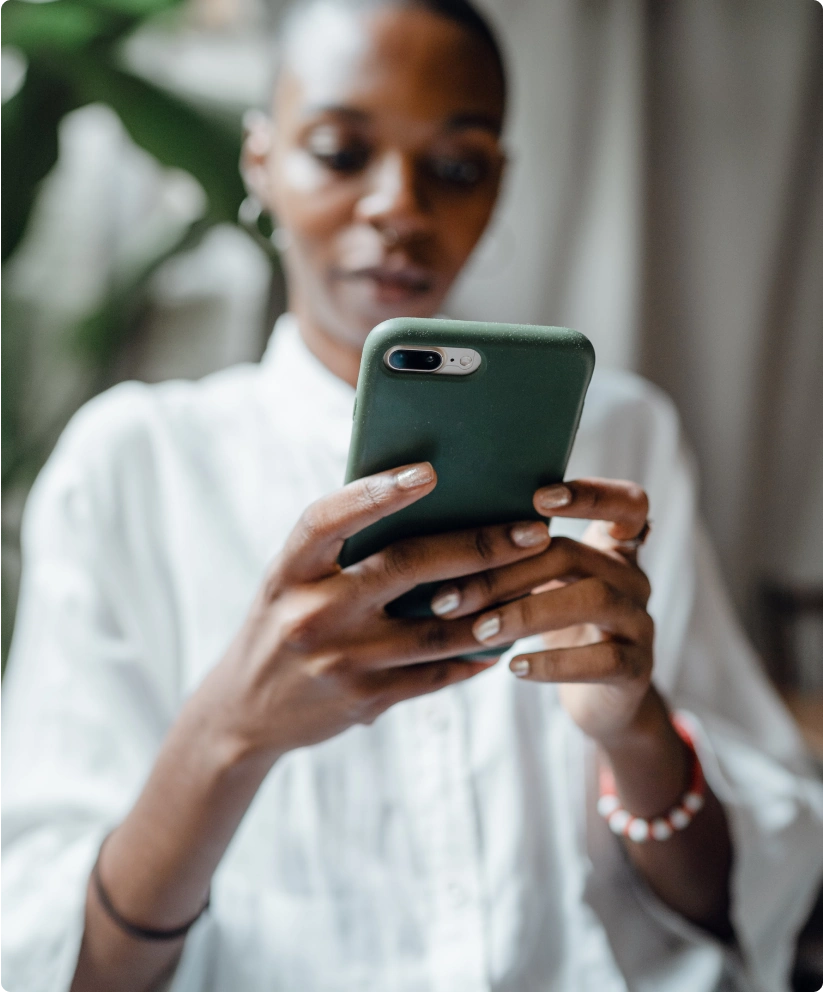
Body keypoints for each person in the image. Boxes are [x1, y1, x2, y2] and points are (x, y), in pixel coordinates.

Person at [1, 1, 822, 990]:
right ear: (260, 162)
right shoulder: (132, 466)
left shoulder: (618, 438)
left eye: (457, 165)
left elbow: (744, 906)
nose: (399, 204)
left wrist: (633, 727)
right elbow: (61, 962)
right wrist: (230, 730)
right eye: (343, 151)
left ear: (498, 185)